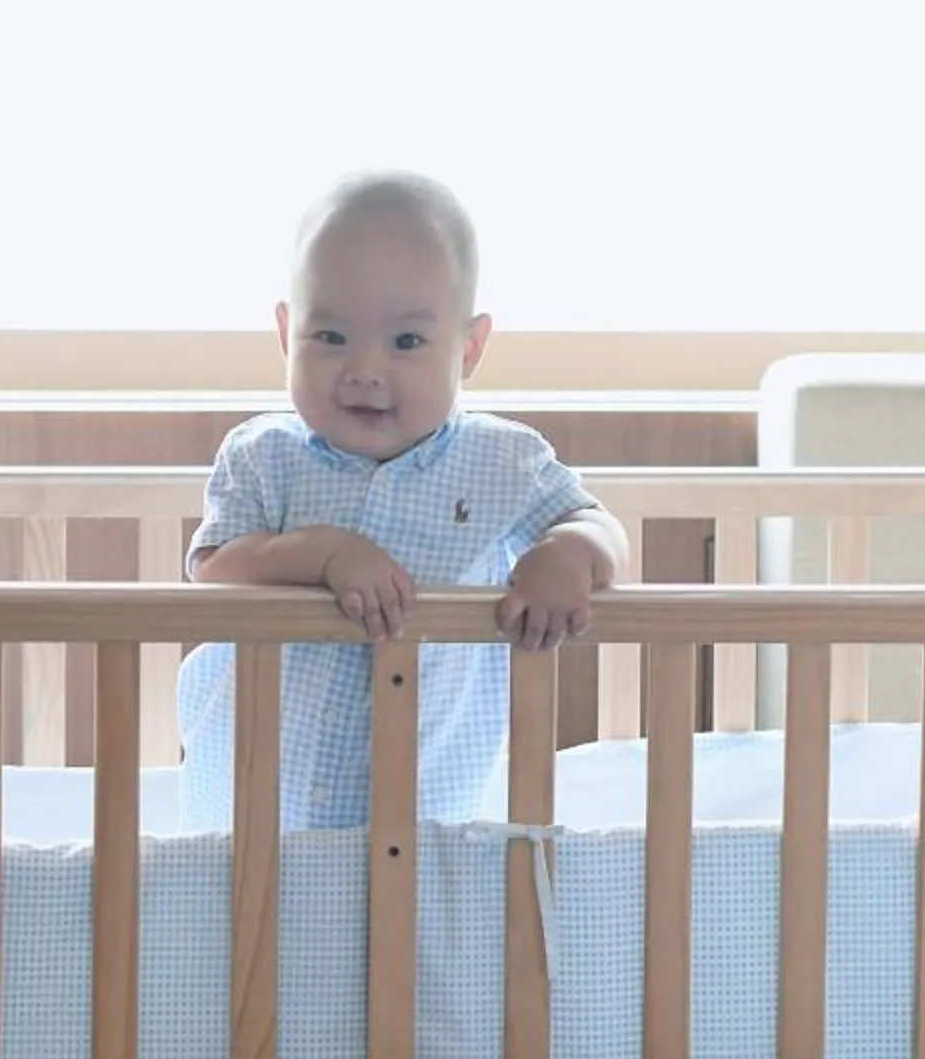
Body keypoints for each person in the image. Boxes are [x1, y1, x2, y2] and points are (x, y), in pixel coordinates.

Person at [175, 171, 628, 830]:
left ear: (468, 349)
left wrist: (572, 550)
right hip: (254, 801)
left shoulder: (502, 460)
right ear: (285, 331)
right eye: (329, 337)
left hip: (423, 812)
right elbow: (214, 571)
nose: (364, 369)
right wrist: (321, 553)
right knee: (245, 921)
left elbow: (599, 525)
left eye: (407, 342)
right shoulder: (263, 455)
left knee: (407, 924)